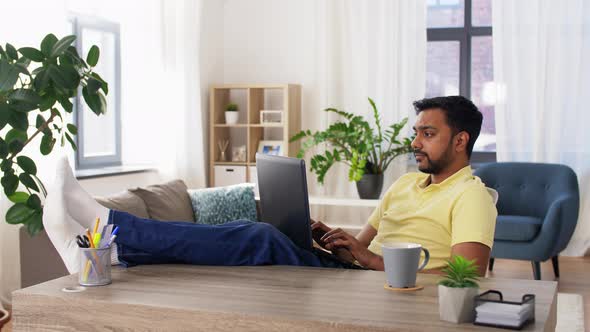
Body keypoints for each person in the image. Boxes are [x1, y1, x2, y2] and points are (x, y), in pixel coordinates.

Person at [43, 96, 496, 276]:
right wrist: (336, 241)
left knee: (256, 235)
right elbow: (361, 246)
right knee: (258, 233)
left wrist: (369, 259)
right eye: (415, 131)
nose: (414, 141)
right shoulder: (403, 186)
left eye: (427, 134)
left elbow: (466, 276)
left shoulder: (470, 196)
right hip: (356, 275)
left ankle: (111, 231)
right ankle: (113, 250)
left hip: (392, 289)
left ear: (460, 141)